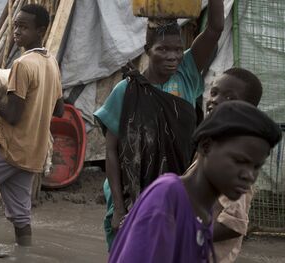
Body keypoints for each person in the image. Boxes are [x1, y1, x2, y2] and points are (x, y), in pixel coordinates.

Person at [95, 0, 225, 250]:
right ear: (147, 49)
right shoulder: (126, 90)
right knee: (129, 251)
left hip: (176, 192)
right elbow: (112, 151)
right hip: (131, 192)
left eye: (178, 49)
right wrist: (119, 208)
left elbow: (215, 28)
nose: (173, 56)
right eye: (163, 49)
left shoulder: (187, 74)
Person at [109, 101, 282, 263]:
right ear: (206, 146)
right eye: (239, 161)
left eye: (256, 166)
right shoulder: (168, 197)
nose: (249, 175)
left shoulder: (203, 215)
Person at [0, 3, 64, 246]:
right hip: (32, 153)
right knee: (21, 217)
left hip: (7, 148)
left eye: (23, 27)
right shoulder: (51, 61)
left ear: (41, 30)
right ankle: (24, 255)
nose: (17, 32)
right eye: (15, 26)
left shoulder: (22, 64)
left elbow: (12, 116)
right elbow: (59, 109)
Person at [186, 67, 263, 263]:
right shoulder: (213, 143)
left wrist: (187, 235)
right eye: (214, 92)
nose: (215, 100)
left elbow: (233, 225)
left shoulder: (236, 156)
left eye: (229, 98)